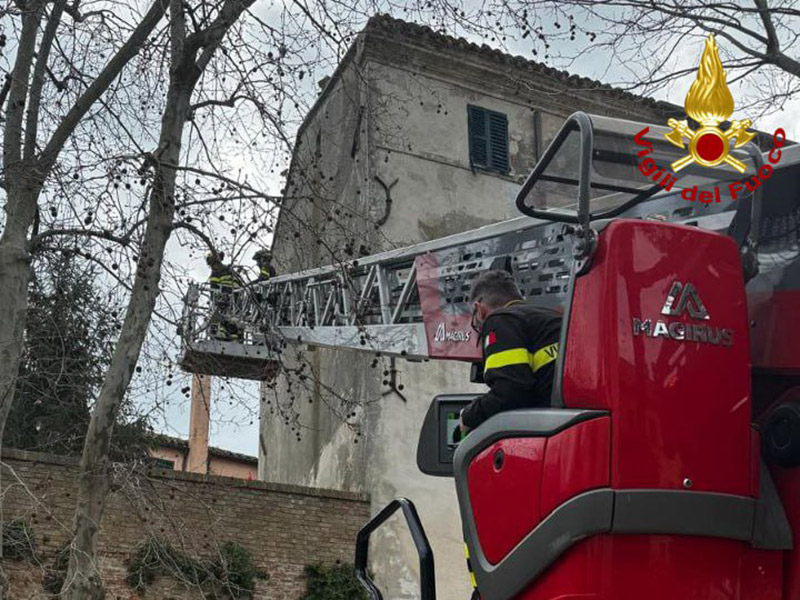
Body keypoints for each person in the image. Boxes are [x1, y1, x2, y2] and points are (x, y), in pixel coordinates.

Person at [460, 270, 562, 433]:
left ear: (479, 309)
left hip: (549, 429)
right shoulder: (552, 318)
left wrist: (468, 416)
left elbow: (509, 393)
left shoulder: (501, 319)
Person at [206, 251, 241, 340]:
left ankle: (223, 331)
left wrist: (215, 299)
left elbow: (213, 290)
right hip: (235, 298)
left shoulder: (216, 273)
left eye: (212, 264)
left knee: (223, 314)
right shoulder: (229, 270)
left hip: (226, 298)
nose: (212, 267)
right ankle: (233, 334)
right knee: (232, 316)